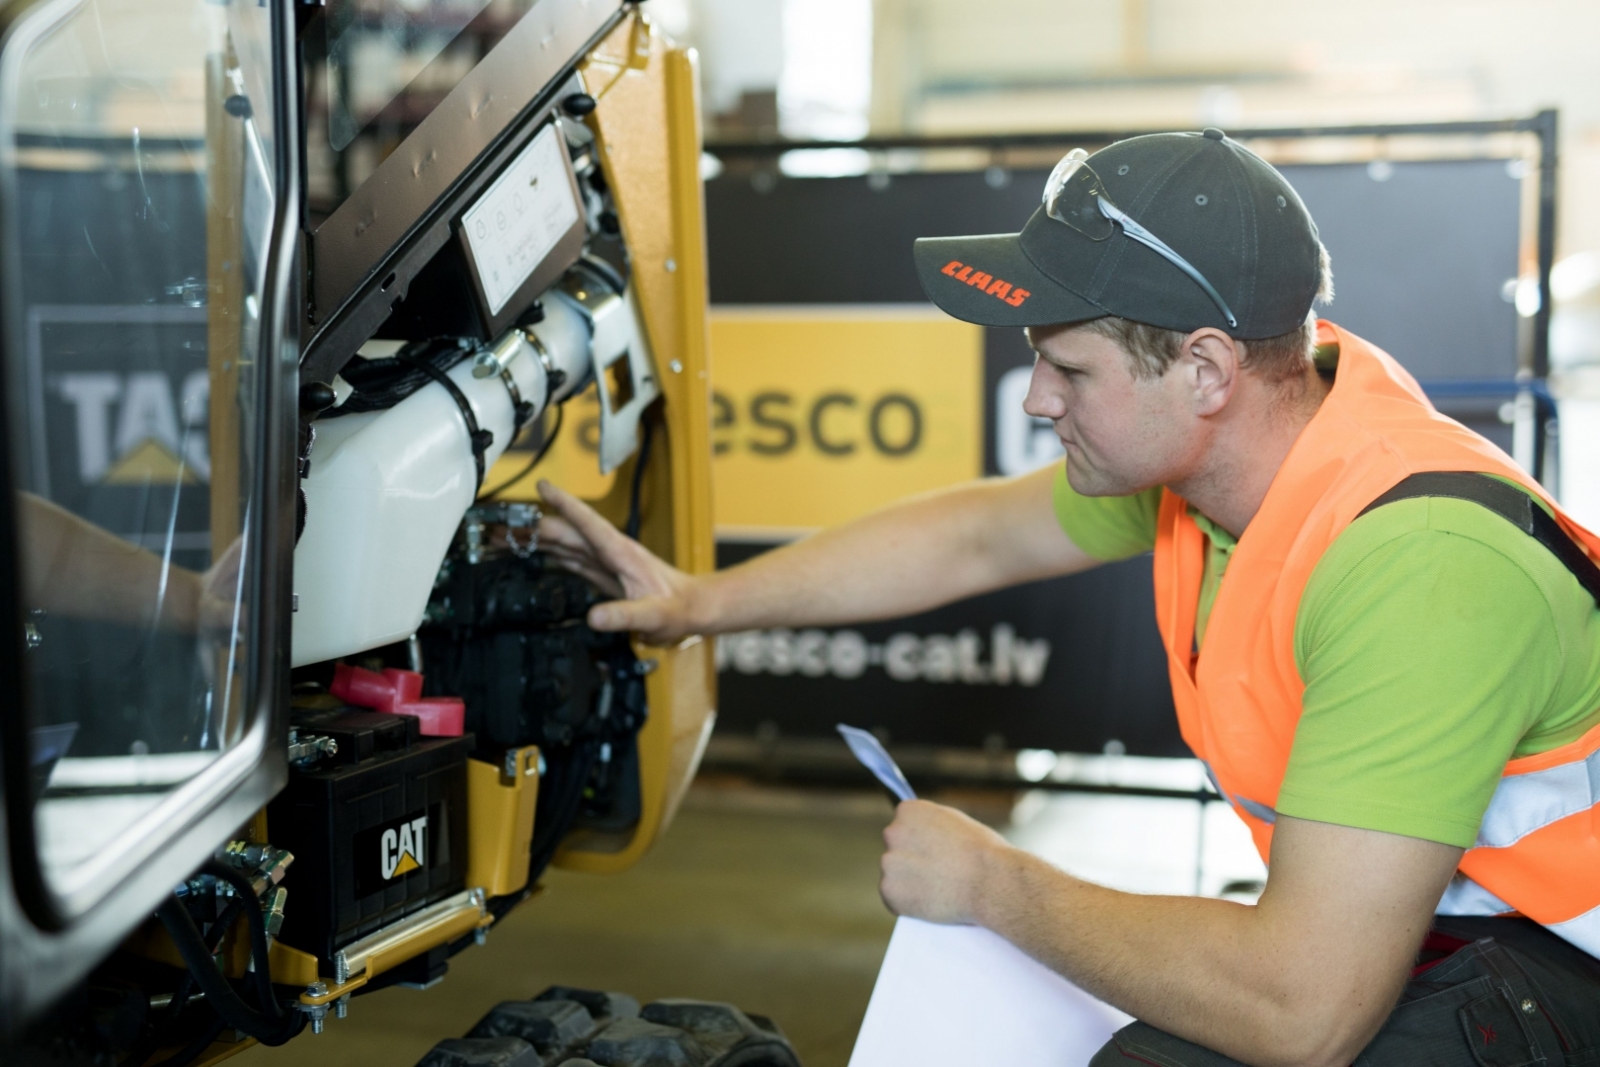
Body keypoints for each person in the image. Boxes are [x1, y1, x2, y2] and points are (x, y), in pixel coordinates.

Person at [535, 129, 1600, 1065]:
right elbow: (974, 535)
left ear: (1206, 368)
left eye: (1070, 370)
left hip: (1564, 963)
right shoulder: (1228, 463)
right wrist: (696, 602)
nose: (1037, 399)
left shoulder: (1421, 564)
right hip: (1459, 924)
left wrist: (994, 883)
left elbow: (1300, 1010)